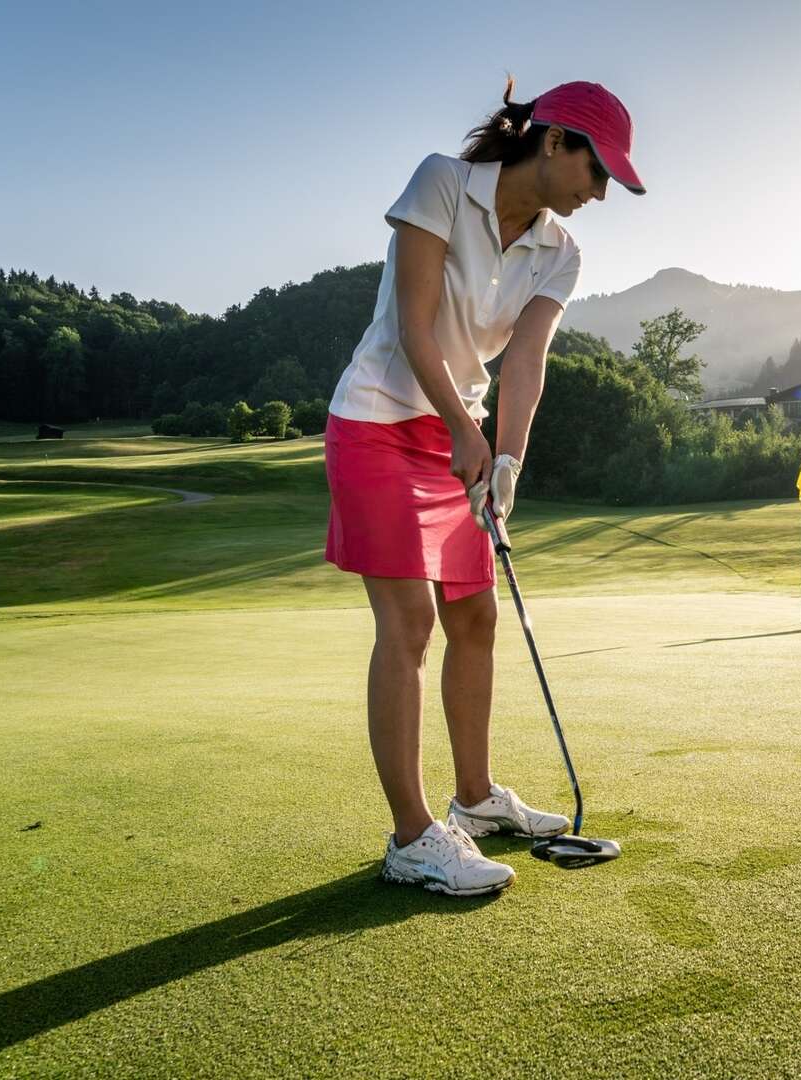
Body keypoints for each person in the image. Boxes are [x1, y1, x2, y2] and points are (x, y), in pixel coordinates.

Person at [322, 79, 645, 897]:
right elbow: (413, 326)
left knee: (476, 615)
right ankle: (410, 837)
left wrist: (508, 461)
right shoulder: (439, 182)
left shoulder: (561, 251)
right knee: (410, 619)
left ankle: (474, 800)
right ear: (554, 140)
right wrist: (467, 435)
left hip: (455, 438)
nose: (599, 192)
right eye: (597, 169)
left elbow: (526, 360)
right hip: (377, 422)